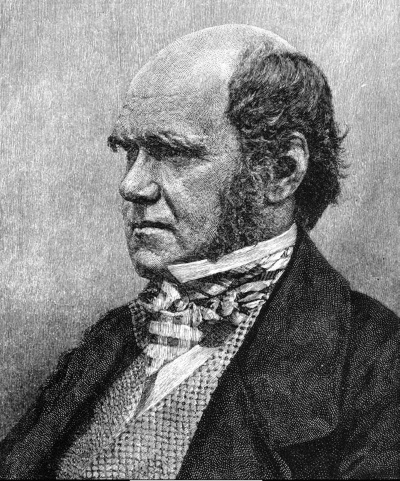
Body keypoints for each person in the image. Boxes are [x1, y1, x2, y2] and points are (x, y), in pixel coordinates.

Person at [0, 24, 399, 480]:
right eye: (130, 152)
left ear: (281, 171)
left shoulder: (375, 364)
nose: (132, 185)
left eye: (174, 153)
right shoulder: (108, 339)